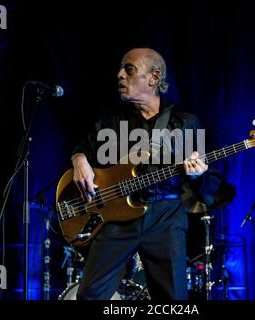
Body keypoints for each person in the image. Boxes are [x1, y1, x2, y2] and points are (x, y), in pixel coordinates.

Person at [71, 48, 225, 300]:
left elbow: (210, 185)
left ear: (154, 78)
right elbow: (84, 147)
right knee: (89, 295)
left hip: (165, 217)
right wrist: (78, 159)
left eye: (128, 69)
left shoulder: (184, 124)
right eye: (121, 69)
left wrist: (198, 175)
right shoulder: (112, 119)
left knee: (173, 301)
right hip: (118, 217)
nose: (120, 75)